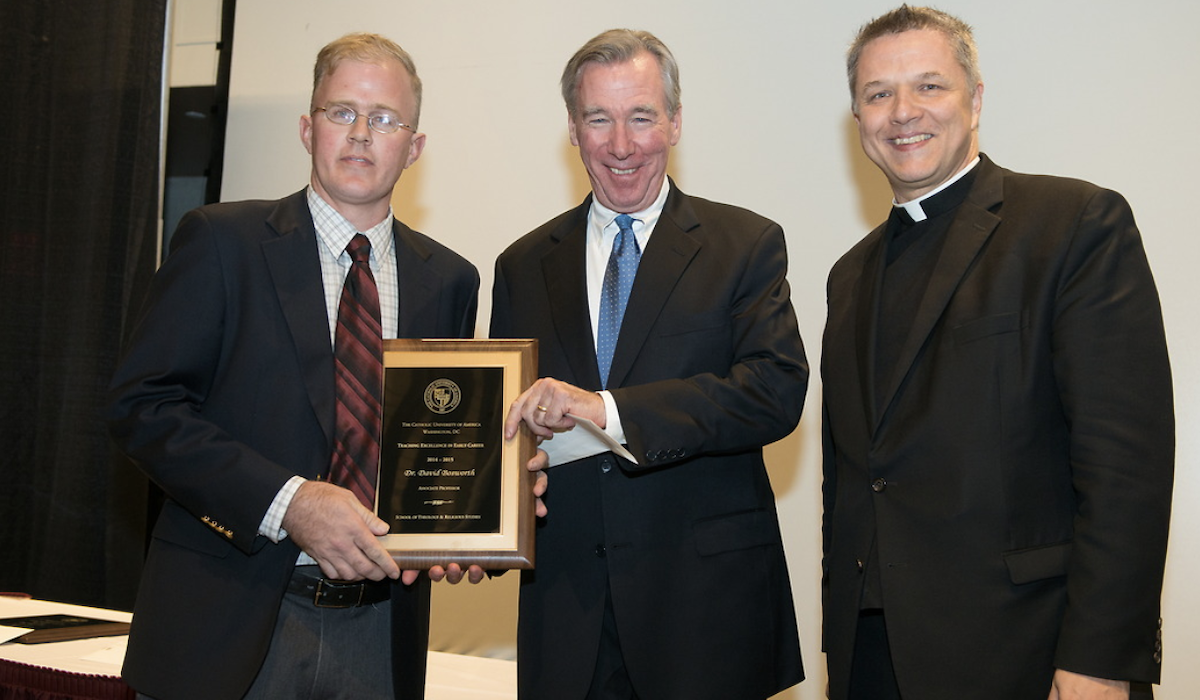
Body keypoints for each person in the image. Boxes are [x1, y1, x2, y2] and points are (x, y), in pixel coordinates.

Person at [108, 33, 545, 700]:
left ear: (415, 146)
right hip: (229, 622)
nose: (363, 135)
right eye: (343, 112)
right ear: (308, 129)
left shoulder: (449, 280)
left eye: (385, 119)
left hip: (379, 635)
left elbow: (440, 440)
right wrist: (290, 502)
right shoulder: (223, 243)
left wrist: (482, 503)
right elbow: (143, 408)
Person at [821, 6, 1174, 700]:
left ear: (975, 100)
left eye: (929, 86)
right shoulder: (848, 275)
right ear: (857, 118)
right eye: (877, 94)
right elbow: (855, 478)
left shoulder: (1072, 226)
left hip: (1025, 652)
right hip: (871, 661)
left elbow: (1125, 467)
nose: (902, 113)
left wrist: (1101, 660)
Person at [490, 28, 807, 700]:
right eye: (599, 119)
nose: (622, 145)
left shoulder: (743, 244)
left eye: (641, 117)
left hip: (704, 613)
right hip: (568, 616)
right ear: (573, 130)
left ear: (675, 122)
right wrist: (471, 521)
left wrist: (606, 410)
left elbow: (773, 392)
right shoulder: (521, 265)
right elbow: (506, 434)